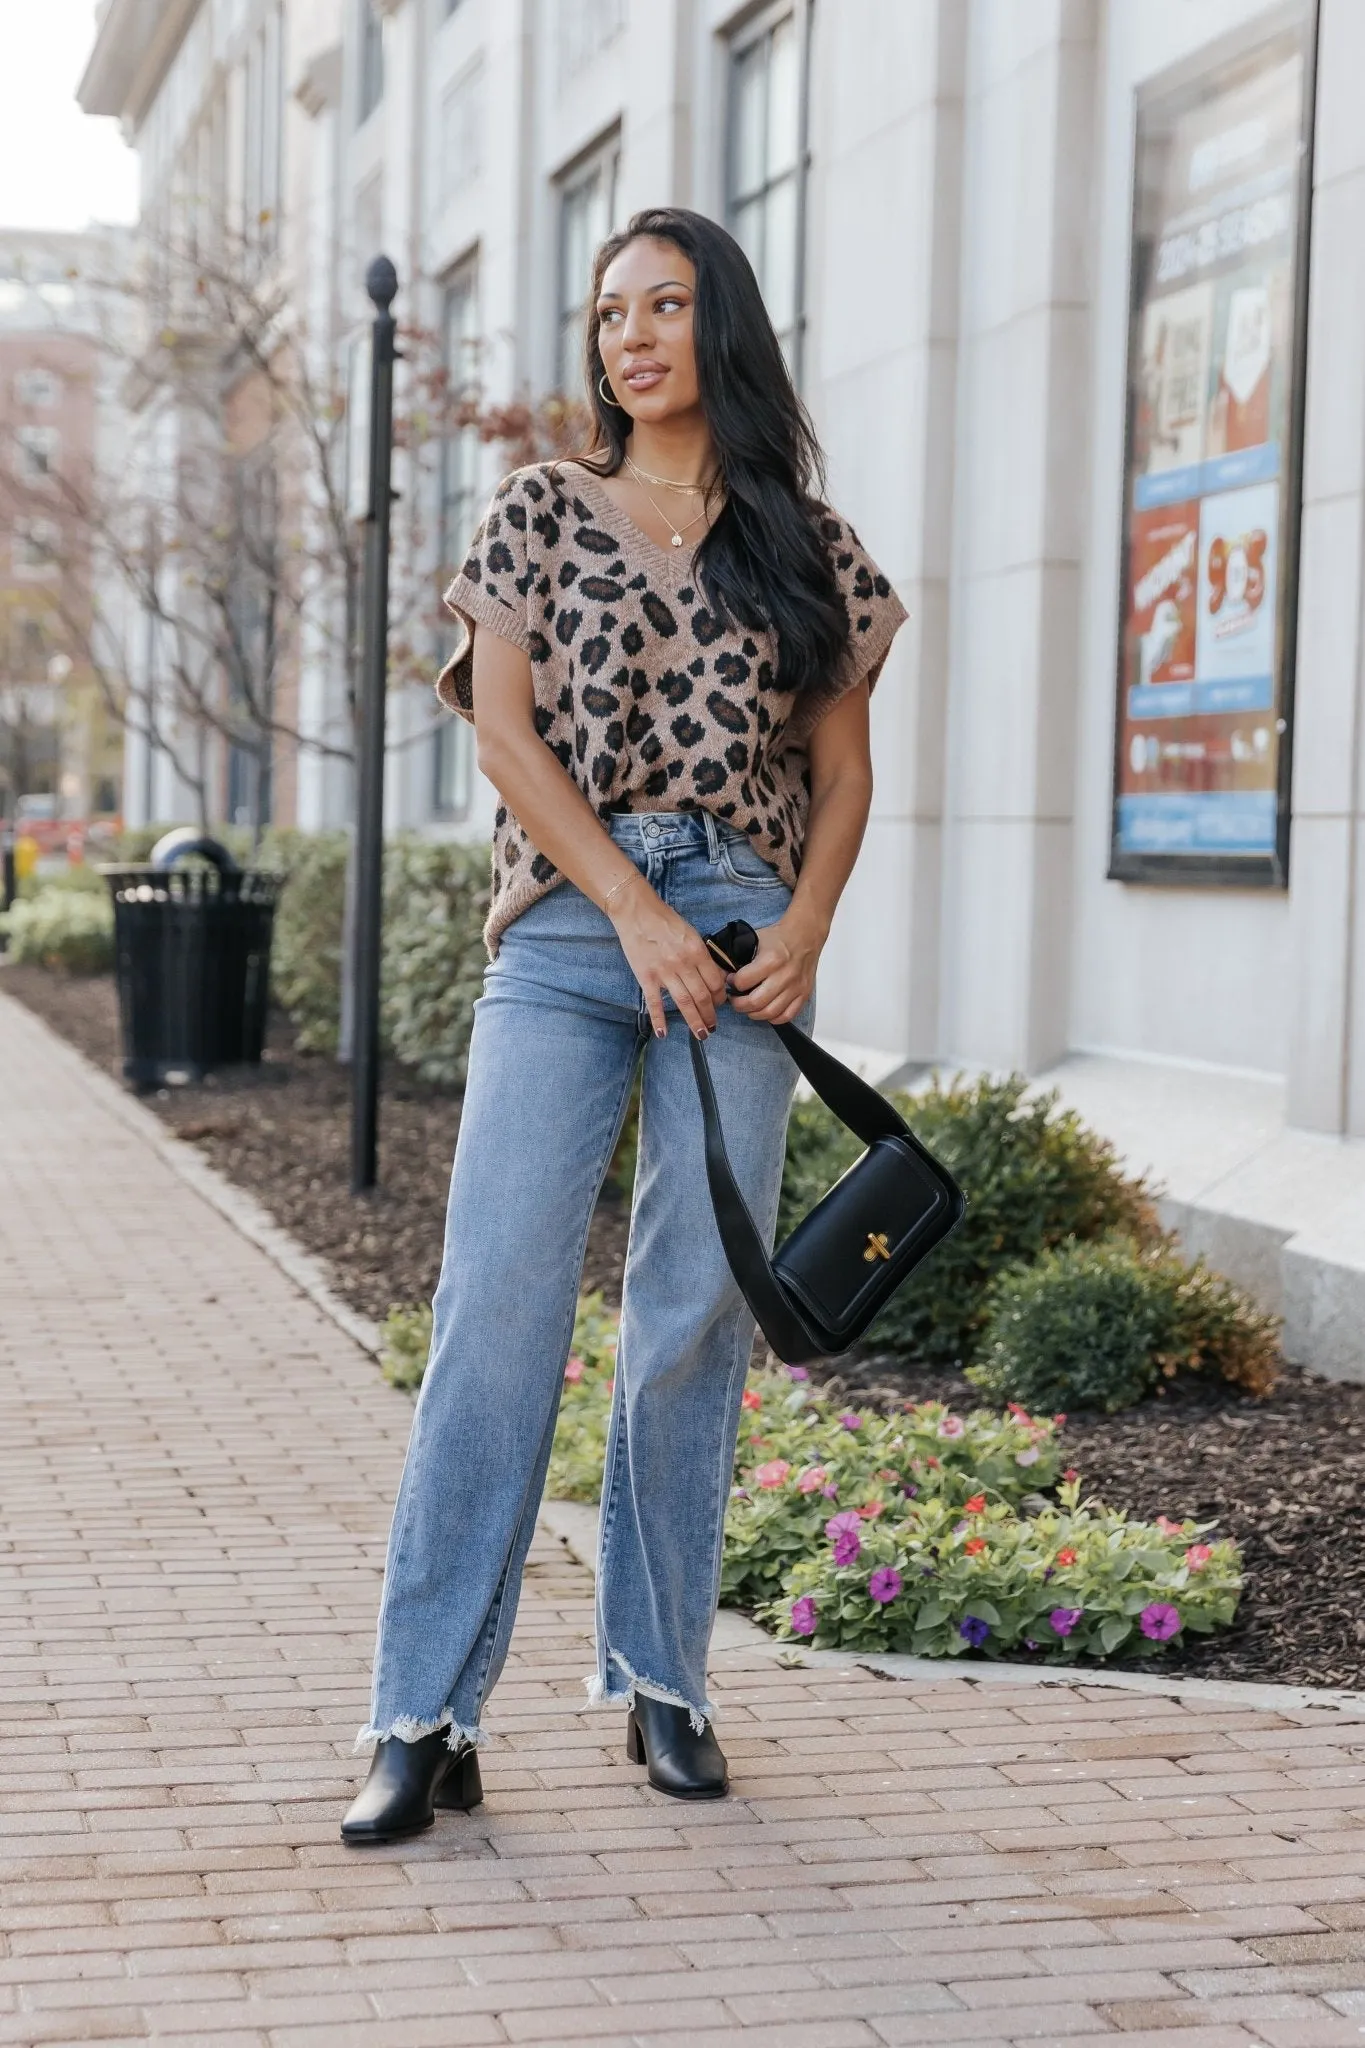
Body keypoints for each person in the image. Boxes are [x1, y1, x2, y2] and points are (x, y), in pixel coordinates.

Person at [342, 205, 906, 1843]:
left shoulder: (808, 547)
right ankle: (421, 1709)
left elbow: (844, 771)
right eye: (607, 314)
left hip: (743, 939)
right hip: (574, 935)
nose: (630, 336)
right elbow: (507, 740)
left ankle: (665, 1682)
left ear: (716, 323)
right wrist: (633, 913)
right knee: (498, 1306)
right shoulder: (539, 506)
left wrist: (801, 929)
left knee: (687, 1320)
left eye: (662, 306)